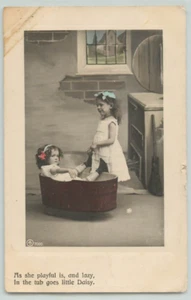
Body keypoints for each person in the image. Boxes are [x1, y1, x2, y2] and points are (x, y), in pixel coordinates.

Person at [88, 91, 130, 182]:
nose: (98, 108)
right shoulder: (103, 120)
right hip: (100, 149)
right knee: (99, 168)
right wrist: (93, 146)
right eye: (97, 105)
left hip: (108, 150)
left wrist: (97, 143)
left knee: (108, 169)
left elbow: (111, 140)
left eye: (101, 105)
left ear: (110, 106)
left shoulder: (111, 122)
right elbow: (99, 135)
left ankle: (108, 186)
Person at [35, 144, 107, 182]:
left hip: (62, 179)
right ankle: (99, 170)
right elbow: (57, 170)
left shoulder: (44, 169)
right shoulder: (50, 168)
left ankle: (86, 164)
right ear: (45, 158)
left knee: (75, 171)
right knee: (85, 181)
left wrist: (69, 171)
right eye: (53, 156)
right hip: (64, 181)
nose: (56, 158)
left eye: (57, 155)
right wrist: (68, 170)